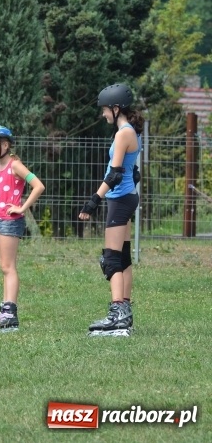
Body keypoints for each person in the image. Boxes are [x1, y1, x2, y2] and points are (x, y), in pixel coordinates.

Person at [79, 83, 142, 337]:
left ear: (116, 108)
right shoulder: (130, 131)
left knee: (111, 259)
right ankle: (124, 311)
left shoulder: (123, 133)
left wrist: (94, 200)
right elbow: (132, 171)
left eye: (105, 109)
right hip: (126, 197)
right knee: (123, 257)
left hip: (120, 199)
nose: (103, 114)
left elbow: (115, 174)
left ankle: (117, 314)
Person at [0, 126, 45, 332]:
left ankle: (10, 314)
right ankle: (5, 312)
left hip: (10, 221)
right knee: (4, 267)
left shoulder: (15, 165)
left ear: (5, 145)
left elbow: (38, 185)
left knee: (9, 267)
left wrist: (22, 207)